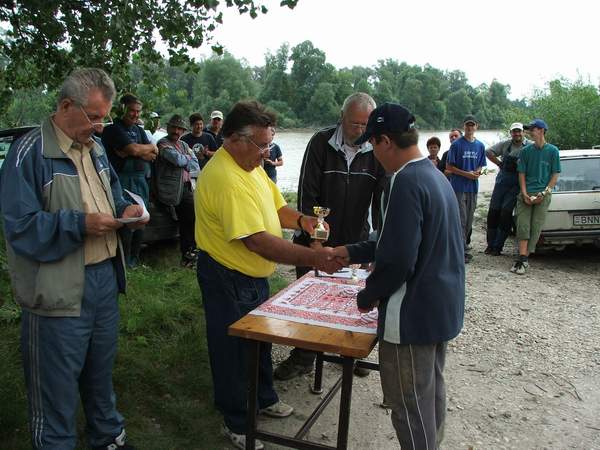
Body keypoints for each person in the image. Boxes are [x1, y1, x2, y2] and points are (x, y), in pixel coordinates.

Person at [0, 68, 147, 450]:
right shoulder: (29, 152)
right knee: (55, 384)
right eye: (94, 117)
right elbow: (20, 228)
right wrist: (80, 225)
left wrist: (126, 212)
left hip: (103, 282)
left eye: (104, 118)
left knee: (100, 369)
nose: (100, 127)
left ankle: (108, 437)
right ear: (66, 105)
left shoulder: (95, 149)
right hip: (56, 288)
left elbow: (114, 196)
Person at [194, 100, 342, 450]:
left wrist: (304, 220)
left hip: (251, 277)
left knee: (260, 342)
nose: (267, 153)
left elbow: (276, 206)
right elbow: (258, 242)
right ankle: (235, 420)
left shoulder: (250, 164)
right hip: (227, 276)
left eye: (269, 144)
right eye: (262, 145)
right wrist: (314, 258)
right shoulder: (225, 177)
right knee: (232, 351)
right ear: (235, 138)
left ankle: (263, 397)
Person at [332, 102, 465, 450]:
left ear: (386, 142)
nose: (374, 155)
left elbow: (399, 258)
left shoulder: (404, 180)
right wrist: (352, 251)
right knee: (430, 392)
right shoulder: (434, 175)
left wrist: (368, 294)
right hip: (441, 307)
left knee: (408, 405)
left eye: (372, 145)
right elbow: (396, 239)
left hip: (412, 315)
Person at [274, 92, 386, 381]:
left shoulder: (376, 149)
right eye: (354, 123)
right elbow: (307, 191)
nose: (360, 130)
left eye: (365, 125)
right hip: (314, 238)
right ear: (341, 117)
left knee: (351, 299)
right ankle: (304, 356)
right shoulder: (320, 142)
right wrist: (315, 243)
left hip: (355, 240)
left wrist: (376, 246)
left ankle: (350, 352)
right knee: (307, 301)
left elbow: (381, 203)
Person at [101, 94, 158, 268]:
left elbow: (153, 154)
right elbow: (134, 149)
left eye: (138, 111)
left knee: (141, 220)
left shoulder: (139, 130)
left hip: (140, 181)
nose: (135, 114)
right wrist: (139, 149)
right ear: (123, 109)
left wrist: (134, 151)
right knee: (126, 222)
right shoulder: (113, 129)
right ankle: (123, 263)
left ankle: (135, 261)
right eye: (132, 110)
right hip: (121, 181)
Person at [510, 119, 560, 275]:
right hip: (526, 193)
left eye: (533, 129)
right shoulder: (526, 151)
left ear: (542, 130)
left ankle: (523, 259)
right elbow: (521, 174)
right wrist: (524, 193)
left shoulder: (553, 151)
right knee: (522, 226)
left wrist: (544, 193)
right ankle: (522, 259)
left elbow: (555, 174)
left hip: (542, 195)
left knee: (536, 228)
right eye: (530, 129)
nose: (530, 132)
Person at [155, 115, 200, 267]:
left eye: (179, 129)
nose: (176, 131)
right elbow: (177, 160)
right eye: (173, 127)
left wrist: (185, 159)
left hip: (186, 187)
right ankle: (188, 254)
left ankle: (190, 253)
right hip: (171, 189)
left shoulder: (184, 144)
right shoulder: (162, 143)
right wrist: (187, 158)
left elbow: (195, 165)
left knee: (192, 218)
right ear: (168, 128)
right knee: (187, 219)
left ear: (183, 131)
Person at [485, 122, 530, 255]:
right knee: (493, 212)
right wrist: (499, 163)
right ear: (511, 133)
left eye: (519, 131)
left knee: (505, 213)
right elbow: (488, 152)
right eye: (514, 131)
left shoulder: (530, 146)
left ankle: (498, 246)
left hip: (517, 183)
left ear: (523, 132)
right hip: (502, 182)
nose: (517, 134)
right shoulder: (505, 144)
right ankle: (490, 245)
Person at [446, 115, 486, 263]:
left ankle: (462, 246)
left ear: (476, 127)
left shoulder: (480, 145)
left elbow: (481, 164)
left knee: (469, 220)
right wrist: (466, 174)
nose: (470, 128)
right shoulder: (456, 145)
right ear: (464, 126)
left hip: (473, 188)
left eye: (472, 125)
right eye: (467, 125)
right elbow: (449, 167)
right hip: (458, 187)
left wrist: (477, 172)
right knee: (460, 219)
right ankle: (460, 251)